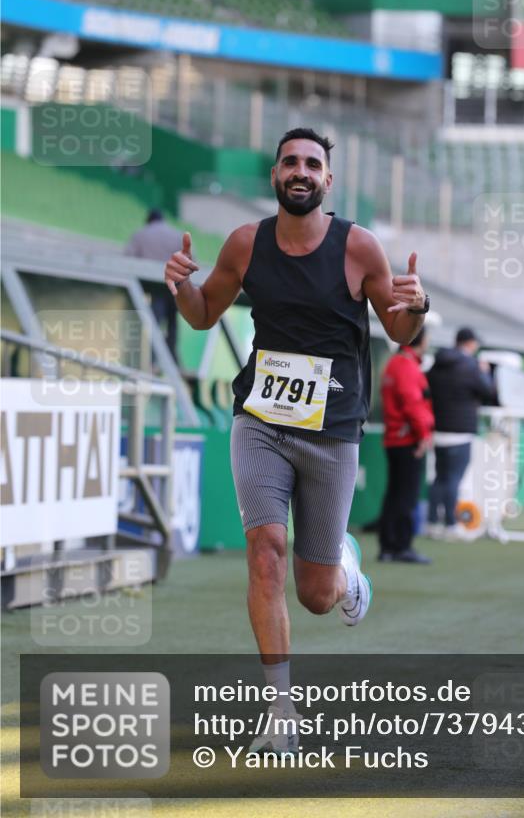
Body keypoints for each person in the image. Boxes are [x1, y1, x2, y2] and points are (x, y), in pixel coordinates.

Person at [164, 127, 430, 752]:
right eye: (290, 162)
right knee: (264, 552)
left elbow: (401, 334)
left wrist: (416, 305)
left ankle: (343, 569)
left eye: (313, 163)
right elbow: (204, 312)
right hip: (259, 419)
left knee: (314, 595)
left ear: (327, 181)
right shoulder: (245, 244)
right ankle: (280, 711)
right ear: (276, 175)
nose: (301, 171)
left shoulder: (358, 247)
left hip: (332, 430)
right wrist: (179, 283)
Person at [425, 327, 498, 541]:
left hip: (439, 429)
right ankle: (450, 524)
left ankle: (431, 523)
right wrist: (484, 372)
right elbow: (489, 391)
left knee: (439, 478)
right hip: (461, 431)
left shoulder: (437, 364)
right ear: (470, 343)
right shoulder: (470, 365)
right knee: (453, 479)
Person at [378, 326, 434, 564]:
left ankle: (389, 546)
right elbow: (413, 404)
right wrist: (423, 435)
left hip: (396, 437)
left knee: (396, 493)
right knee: (406, 495)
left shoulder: (395, 363)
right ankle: (400, 546)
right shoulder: (406, 366)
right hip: (407, 439)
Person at [126, 209, 183, 360]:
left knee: (154, 321)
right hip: (174, 285)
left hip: (153, 285)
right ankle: (171, 357)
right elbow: (190, 259)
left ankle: (150, 358)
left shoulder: (141, 234)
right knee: (172, 322)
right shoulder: (177, 235)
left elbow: (128, 259)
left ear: (149, 220)